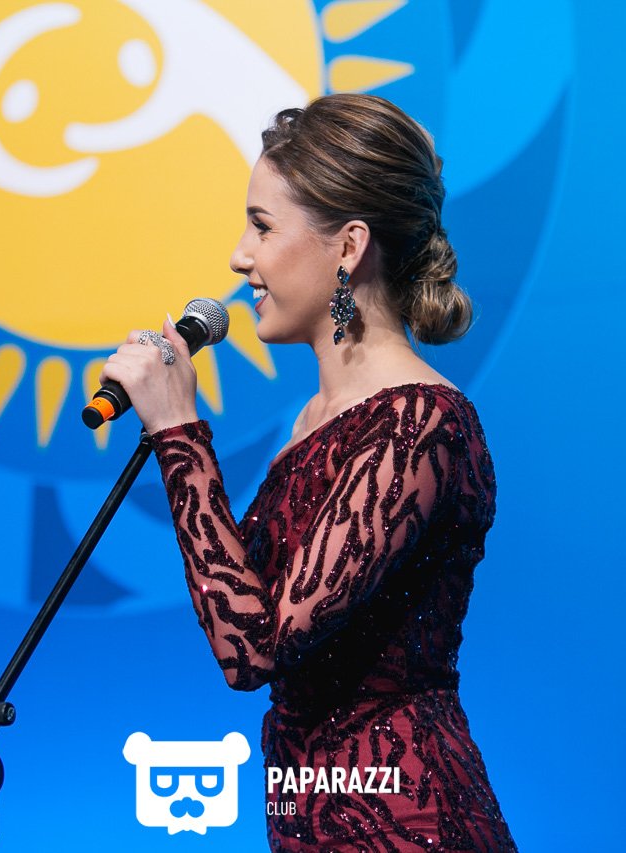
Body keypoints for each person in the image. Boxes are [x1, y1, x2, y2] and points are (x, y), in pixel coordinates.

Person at [99, 93, 516, 851]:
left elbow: (253, 648)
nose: (240, 258)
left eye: (262, 227)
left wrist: (179, 435)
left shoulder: (418, 425)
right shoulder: (315, 420)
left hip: (405, 825)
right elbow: (246, 612)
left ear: (349, 246)